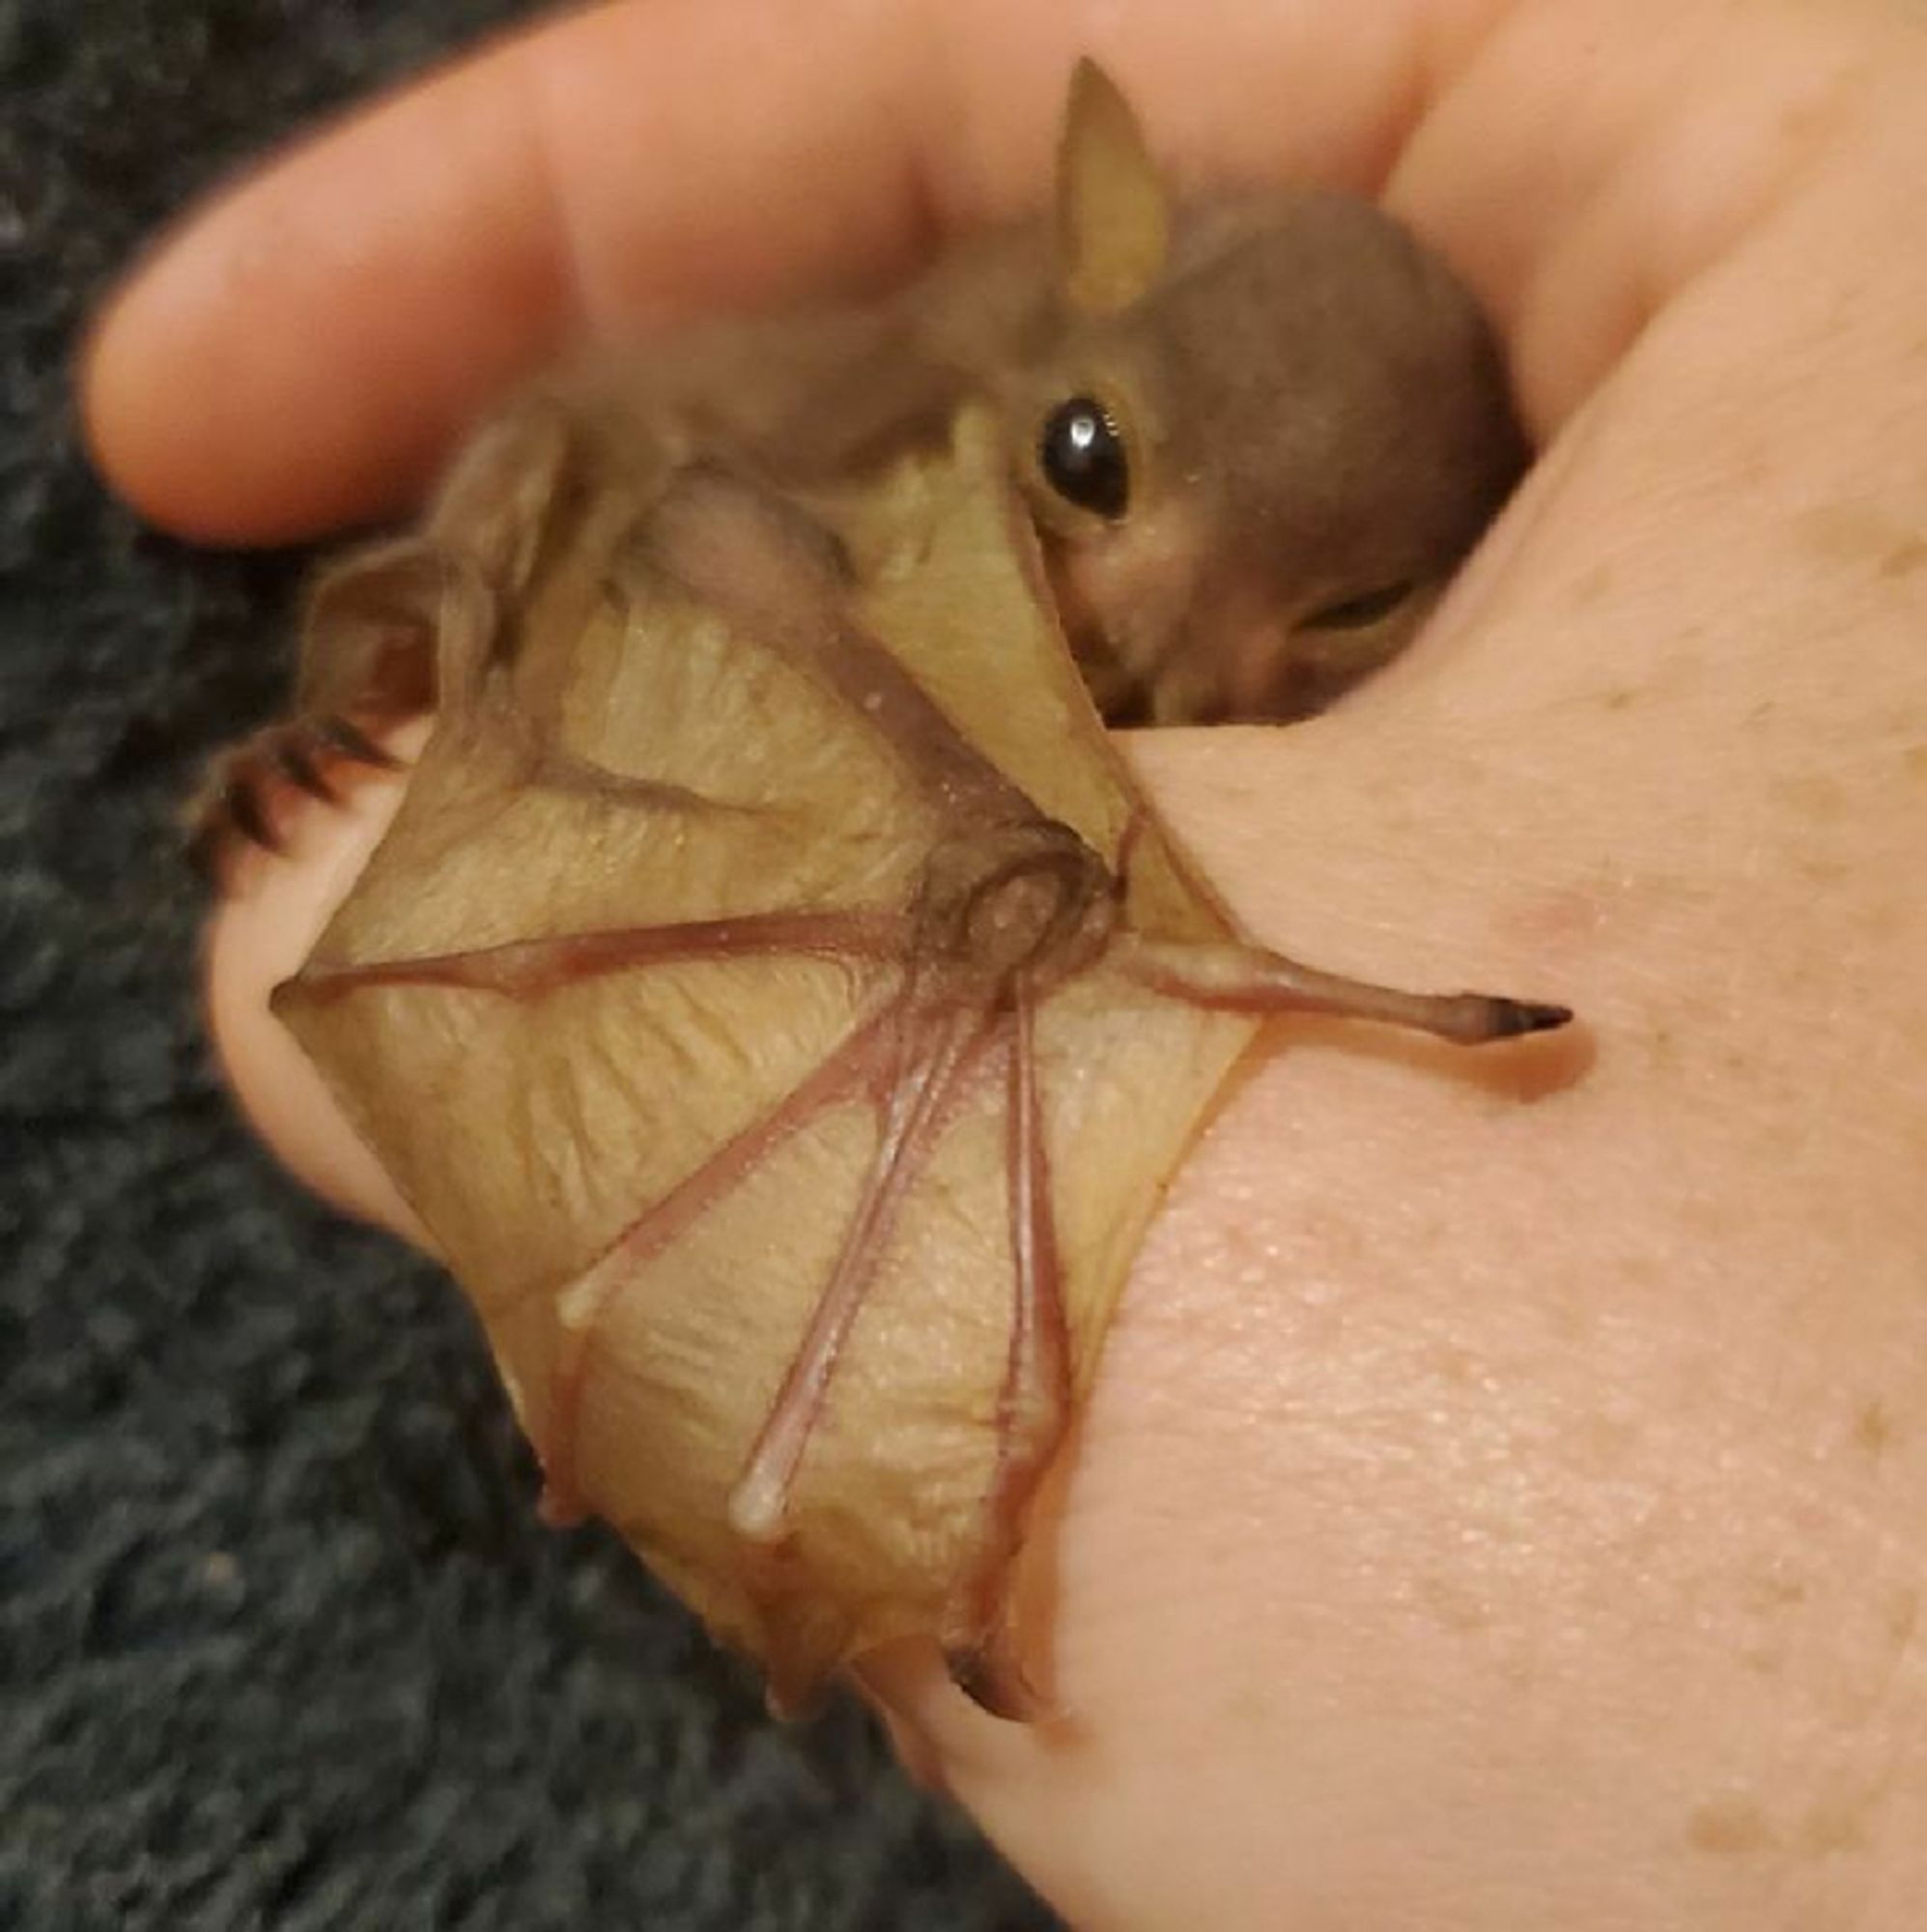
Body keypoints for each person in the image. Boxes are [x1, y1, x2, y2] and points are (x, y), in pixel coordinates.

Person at [84, 1, 1927, 1922]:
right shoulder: (851, 426)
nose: (1145, 632)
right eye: (1091, 463)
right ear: (1075, 305)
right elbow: (588, 453)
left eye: (1346, 611)